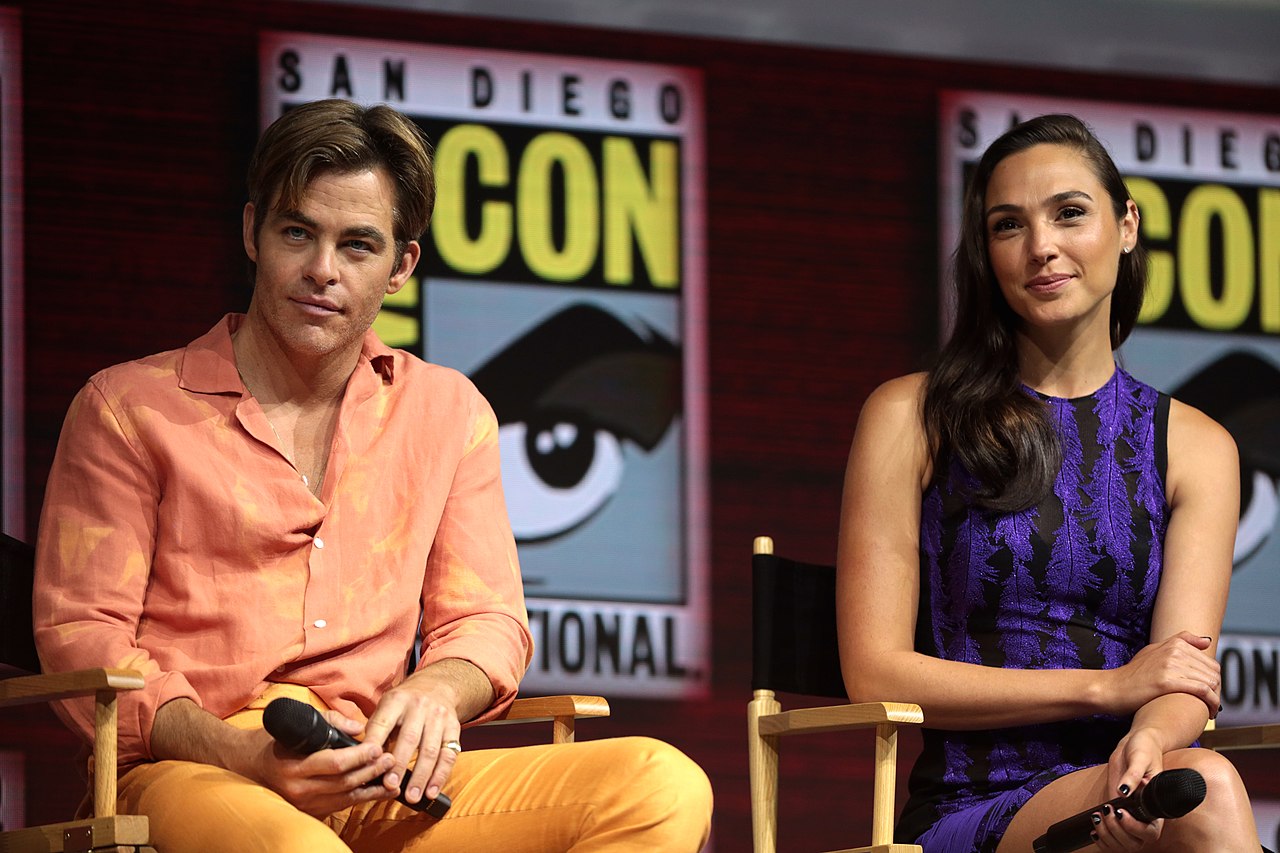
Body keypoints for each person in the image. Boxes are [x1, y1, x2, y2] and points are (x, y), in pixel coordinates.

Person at [33, 98, 712, 853]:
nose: (321, 271)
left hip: (375, 776)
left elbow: (487, 620)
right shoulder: (129, 406)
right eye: (298, 232)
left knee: (660, 786)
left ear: (400, 266)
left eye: (357, 245)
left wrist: (433, 689)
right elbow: (82, 636)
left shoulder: (446, 410)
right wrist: (241, 753)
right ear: (252, 232)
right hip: (192, 768)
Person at [836, 114, 1262, 852]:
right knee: (1213, 796)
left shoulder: (1198, 447)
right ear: (986, 254)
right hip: (972, 807)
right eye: (1008, 226)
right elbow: (874, 672)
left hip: (1133, 780)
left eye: (1069, 213)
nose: (1041, 247)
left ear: (1126, 225)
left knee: (1195, 788)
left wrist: (1150, 740)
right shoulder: (910, 416)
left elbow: (1180, 675)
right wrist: (1105, 687)